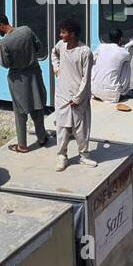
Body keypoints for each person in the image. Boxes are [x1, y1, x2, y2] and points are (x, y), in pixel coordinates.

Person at [0, 14, 49, 153]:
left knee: (20, 112)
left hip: (17, 79)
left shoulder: (4, 43)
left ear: (0, 25)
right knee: (37, 107)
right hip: (34, 74)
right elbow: (39, 47)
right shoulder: (26, 30)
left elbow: (6, 64)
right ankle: (42, 138)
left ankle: (22, 145)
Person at [51, 18, 96, 171]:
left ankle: (84, 156)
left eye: (63, 32)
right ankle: (61, 156)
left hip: (78, 97)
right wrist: (56, 67)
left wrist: (78, 98)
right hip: (62, 95)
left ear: (73, 34)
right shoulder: (60, 46)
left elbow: (86, 78)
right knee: (62, 128)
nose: (60, 35)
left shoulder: (85, 51)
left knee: (81, 129)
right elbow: (54, 54)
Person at [90, 28, 133, 103]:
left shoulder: (101, 46)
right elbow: (128, 57)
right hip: (111, 95)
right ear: (121, 39)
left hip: (94, 90)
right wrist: (131, 47)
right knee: (126, 63)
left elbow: (91, 58)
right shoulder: (123, 52)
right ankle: (123, 91)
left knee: (95, 62)